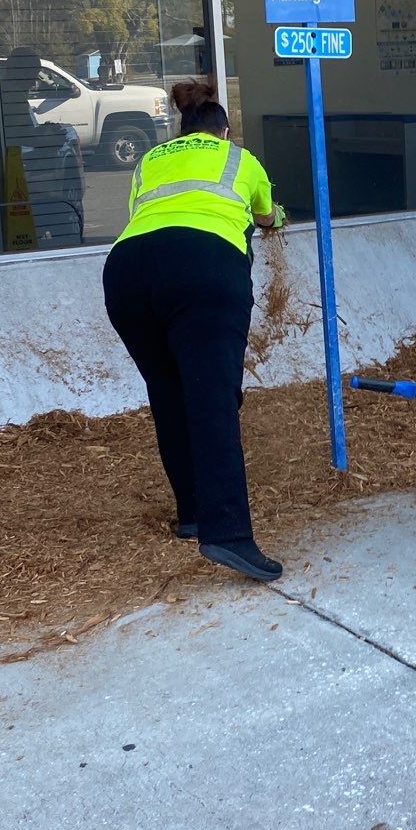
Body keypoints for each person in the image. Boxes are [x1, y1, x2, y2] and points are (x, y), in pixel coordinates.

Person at [102, 78, 285, 582]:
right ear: (223, 131)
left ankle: (192, 513)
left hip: (127, 273)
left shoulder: (150, 161)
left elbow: (145, 216)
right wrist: (278, 218)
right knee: (211, 400)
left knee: (168, 391)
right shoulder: (239, 160)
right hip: (203, 269)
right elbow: (267, 217)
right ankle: (228, 535)